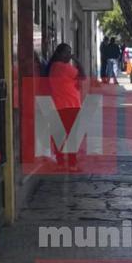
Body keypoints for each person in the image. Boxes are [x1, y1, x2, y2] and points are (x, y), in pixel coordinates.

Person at [48, 43, 84, 171]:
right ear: (60, 53)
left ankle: (61, 162)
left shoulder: (53, 67)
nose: (69, 55)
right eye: (67, 52)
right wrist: (77, 60)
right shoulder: (64, 67)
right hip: (71, 105)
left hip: (58, 105)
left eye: (70, 52)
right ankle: (72, 164)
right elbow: (83, 75)